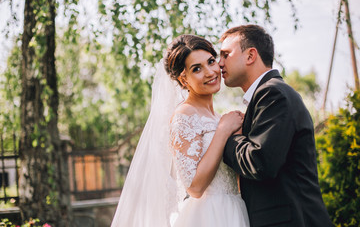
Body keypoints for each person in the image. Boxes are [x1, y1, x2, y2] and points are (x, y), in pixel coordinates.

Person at [111, 34, 249, 227]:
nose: (210, 72)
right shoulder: (184, 116)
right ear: (183, 79)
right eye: (197, 69)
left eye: (211, 61)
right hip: (208, 216)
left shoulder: (218, 118)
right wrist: (223, 131)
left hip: (235, 210)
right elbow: (194, 187)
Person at [218, 24, 333, 227]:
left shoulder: (273, 94)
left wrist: (227, 135)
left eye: (225, 55)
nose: (219, 63)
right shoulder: (267, 95)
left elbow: (259, 162)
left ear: (250, 55)